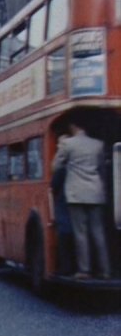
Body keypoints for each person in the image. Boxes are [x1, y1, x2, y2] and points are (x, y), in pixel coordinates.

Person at [52, 116, 110, 279]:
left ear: (72, 126)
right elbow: (102, 170)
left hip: (76, 193)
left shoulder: (68, 144)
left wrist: (61, 149)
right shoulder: (98, 144)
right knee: (98, 232)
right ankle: (105, 270)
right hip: (96, 191)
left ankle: (84, 270)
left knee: (81, 233)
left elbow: (55, 166)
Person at [51, 135, 74, 275]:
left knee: (65, 235)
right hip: (72, 201)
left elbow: (55, 184)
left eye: (61, 144)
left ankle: (66, 268)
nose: (58, 147)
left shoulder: (62, 166)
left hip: (64, 203)